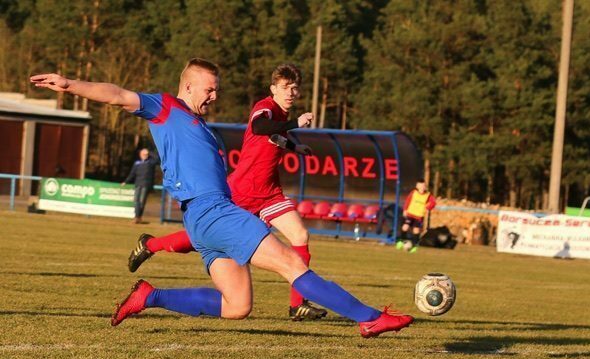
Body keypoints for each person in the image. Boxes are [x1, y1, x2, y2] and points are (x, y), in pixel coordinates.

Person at [30, 58, 413, 338]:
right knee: (292, 262)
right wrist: (70, 85)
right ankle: (368, 318)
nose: (214, 95)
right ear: (189, 86)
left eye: (217, 89)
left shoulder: (199, 126)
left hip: (201, 219)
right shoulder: (165, 107)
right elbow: (118, 95)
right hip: (214, 213)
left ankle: (150, 296)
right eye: (209, 88)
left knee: (237, 306)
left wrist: (289, 145)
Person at [127, 64, 326, 321]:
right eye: (285, 87)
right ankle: (150, 244)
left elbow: (273, 137)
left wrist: (294, 147)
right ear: (273, 88)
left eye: (295, 88)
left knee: (300, 234)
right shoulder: (265, 108)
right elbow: (260, 128)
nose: (291, 93)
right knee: (200, 239)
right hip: (243, 189)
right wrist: (295, 124)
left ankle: (297, 305)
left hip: (269, 192)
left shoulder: (280, 118)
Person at [396, 179, 436, 253]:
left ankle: (414, 246)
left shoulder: (428, 195)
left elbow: (433, 203)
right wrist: (405, 210)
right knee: (405, 227)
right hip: (410, 213)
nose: (422, 187)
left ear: (425, 187)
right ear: (417, 186)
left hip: (419, 216)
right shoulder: (413, 193)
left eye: (423, 186)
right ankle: (400, 241)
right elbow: (408, 201)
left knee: (416, 230)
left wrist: (428, 206)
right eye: (420, 186)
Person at [122, 148, 159, 223]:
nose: (145, 155)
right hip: (138, 184)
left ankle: (138, 217)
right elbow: (132, 174)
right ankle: (137, 217)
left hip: (146, 185)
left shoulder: (151, 162)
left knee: (142, 202)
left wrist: (149, 152)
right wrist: (126, 181)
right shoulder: (137, 163)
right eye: (143, 154)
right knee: (136, 201)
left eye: (146, 154)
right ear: (140, 155)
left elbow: (157, 159)